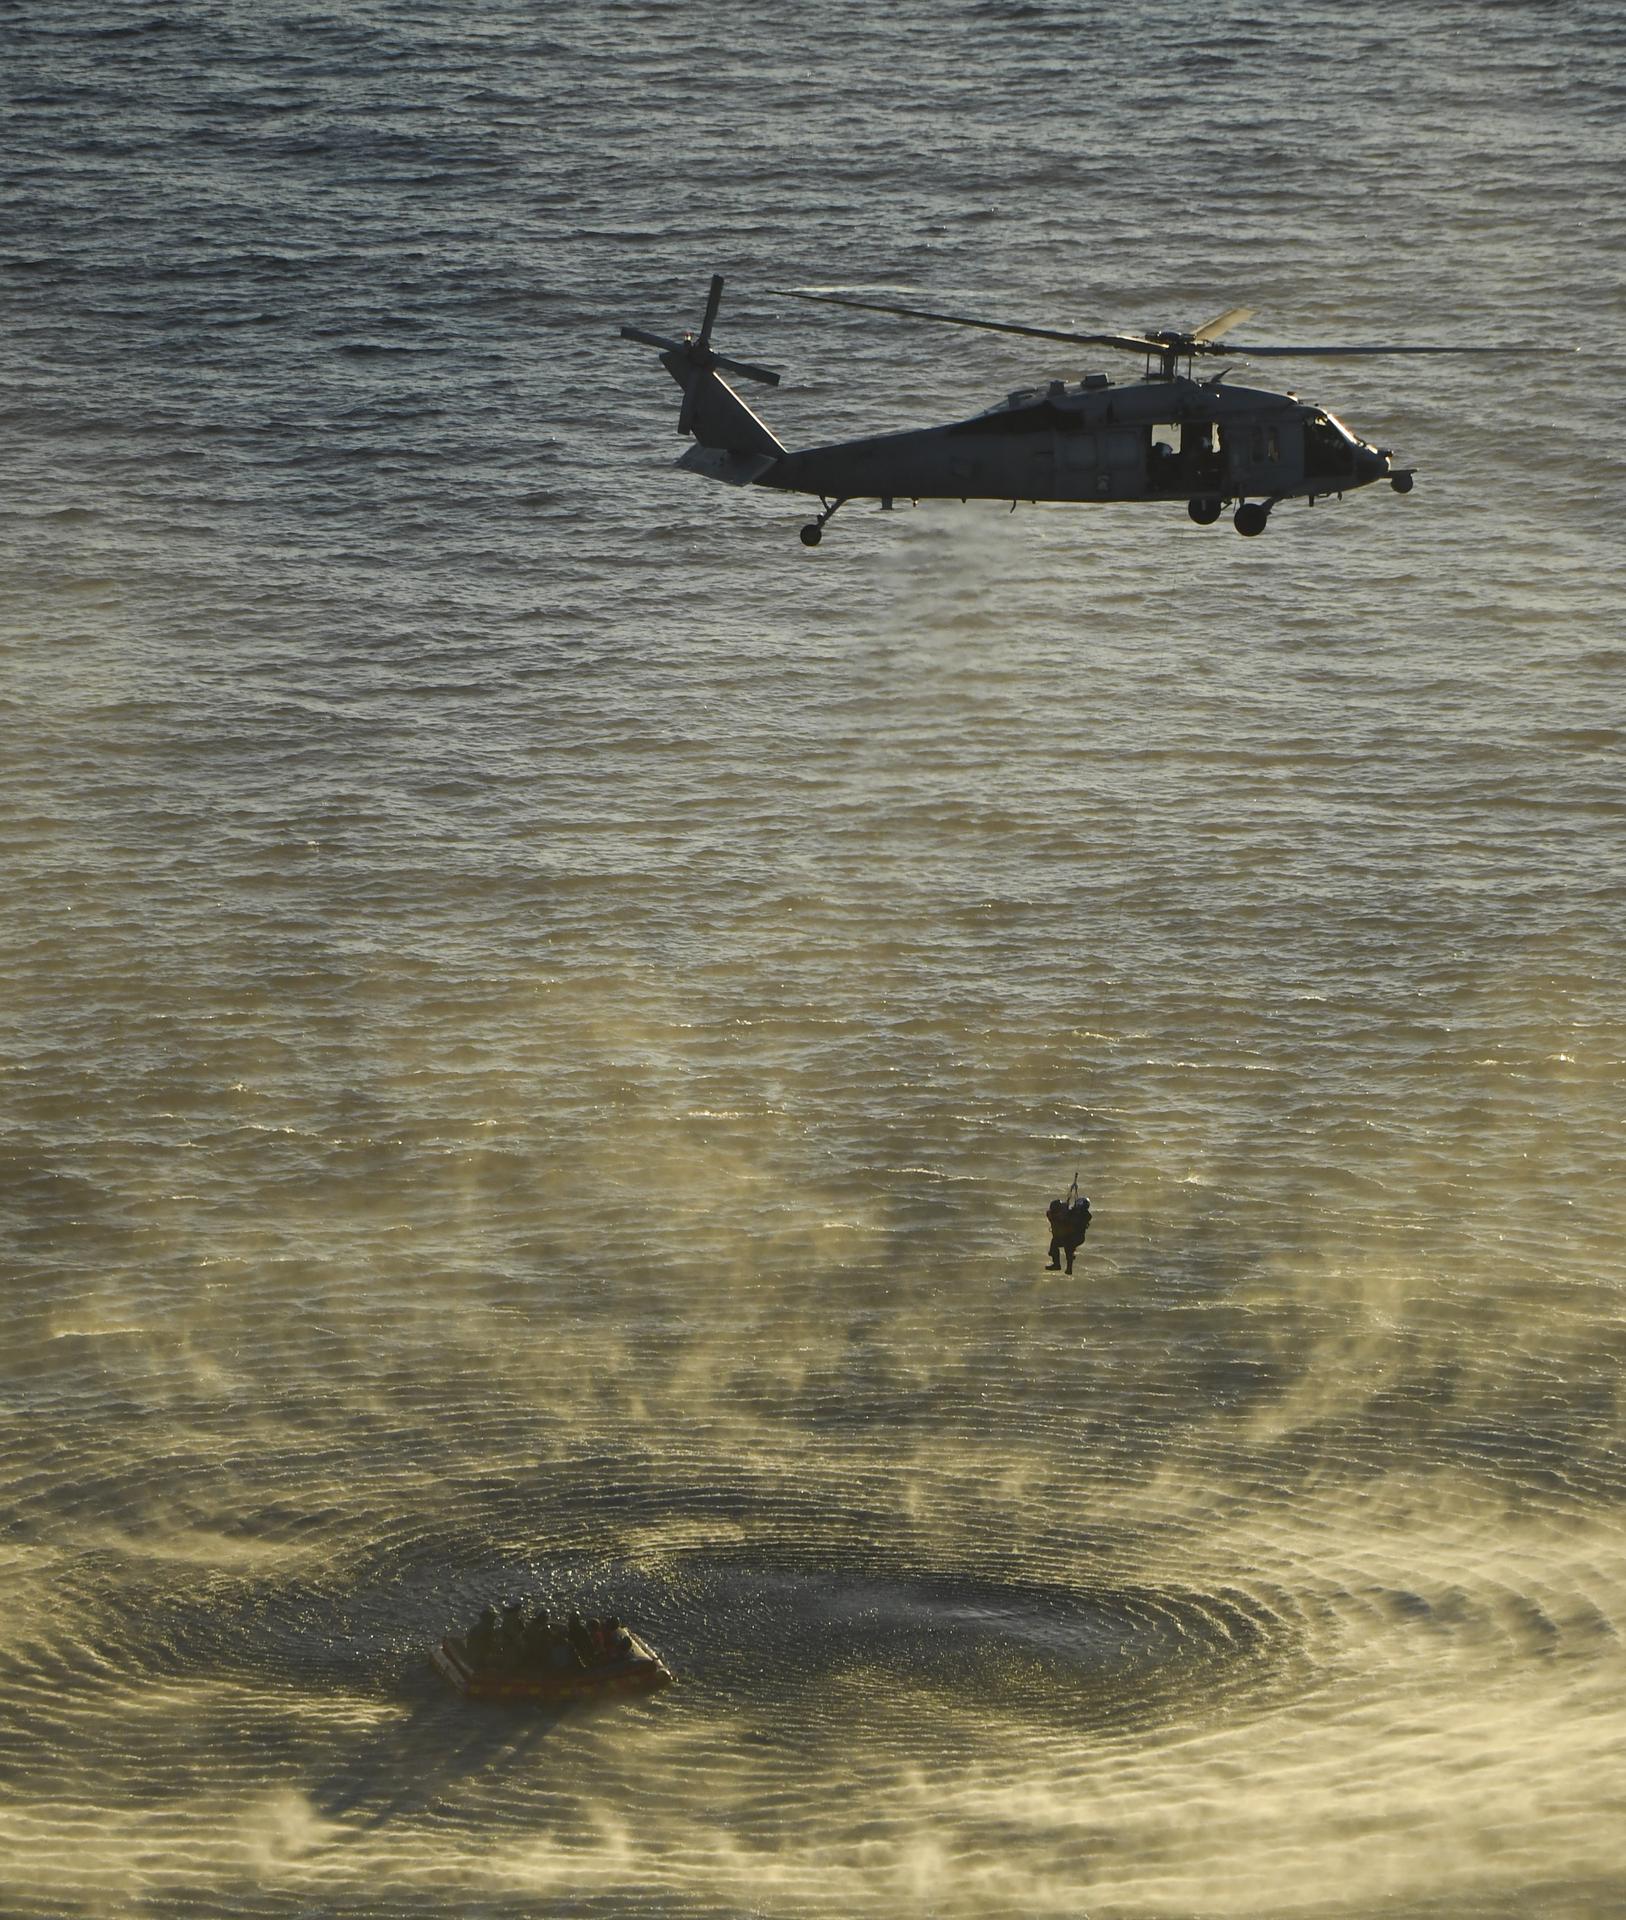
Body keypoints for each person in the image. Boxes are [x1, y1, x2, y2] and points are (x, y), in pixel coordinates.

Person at [1046, 1192, 1091, 1273]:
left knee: (1068, 1246)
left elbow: (1072, 1221)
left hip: (1076, 1237)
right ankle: (1057, 1263)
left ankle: (1066, 1267)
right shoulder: (1076, 1213)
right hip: (1071, 1236)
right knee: (1056, 1243)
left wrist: (1064, 1217)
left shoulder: (1083, 1216)